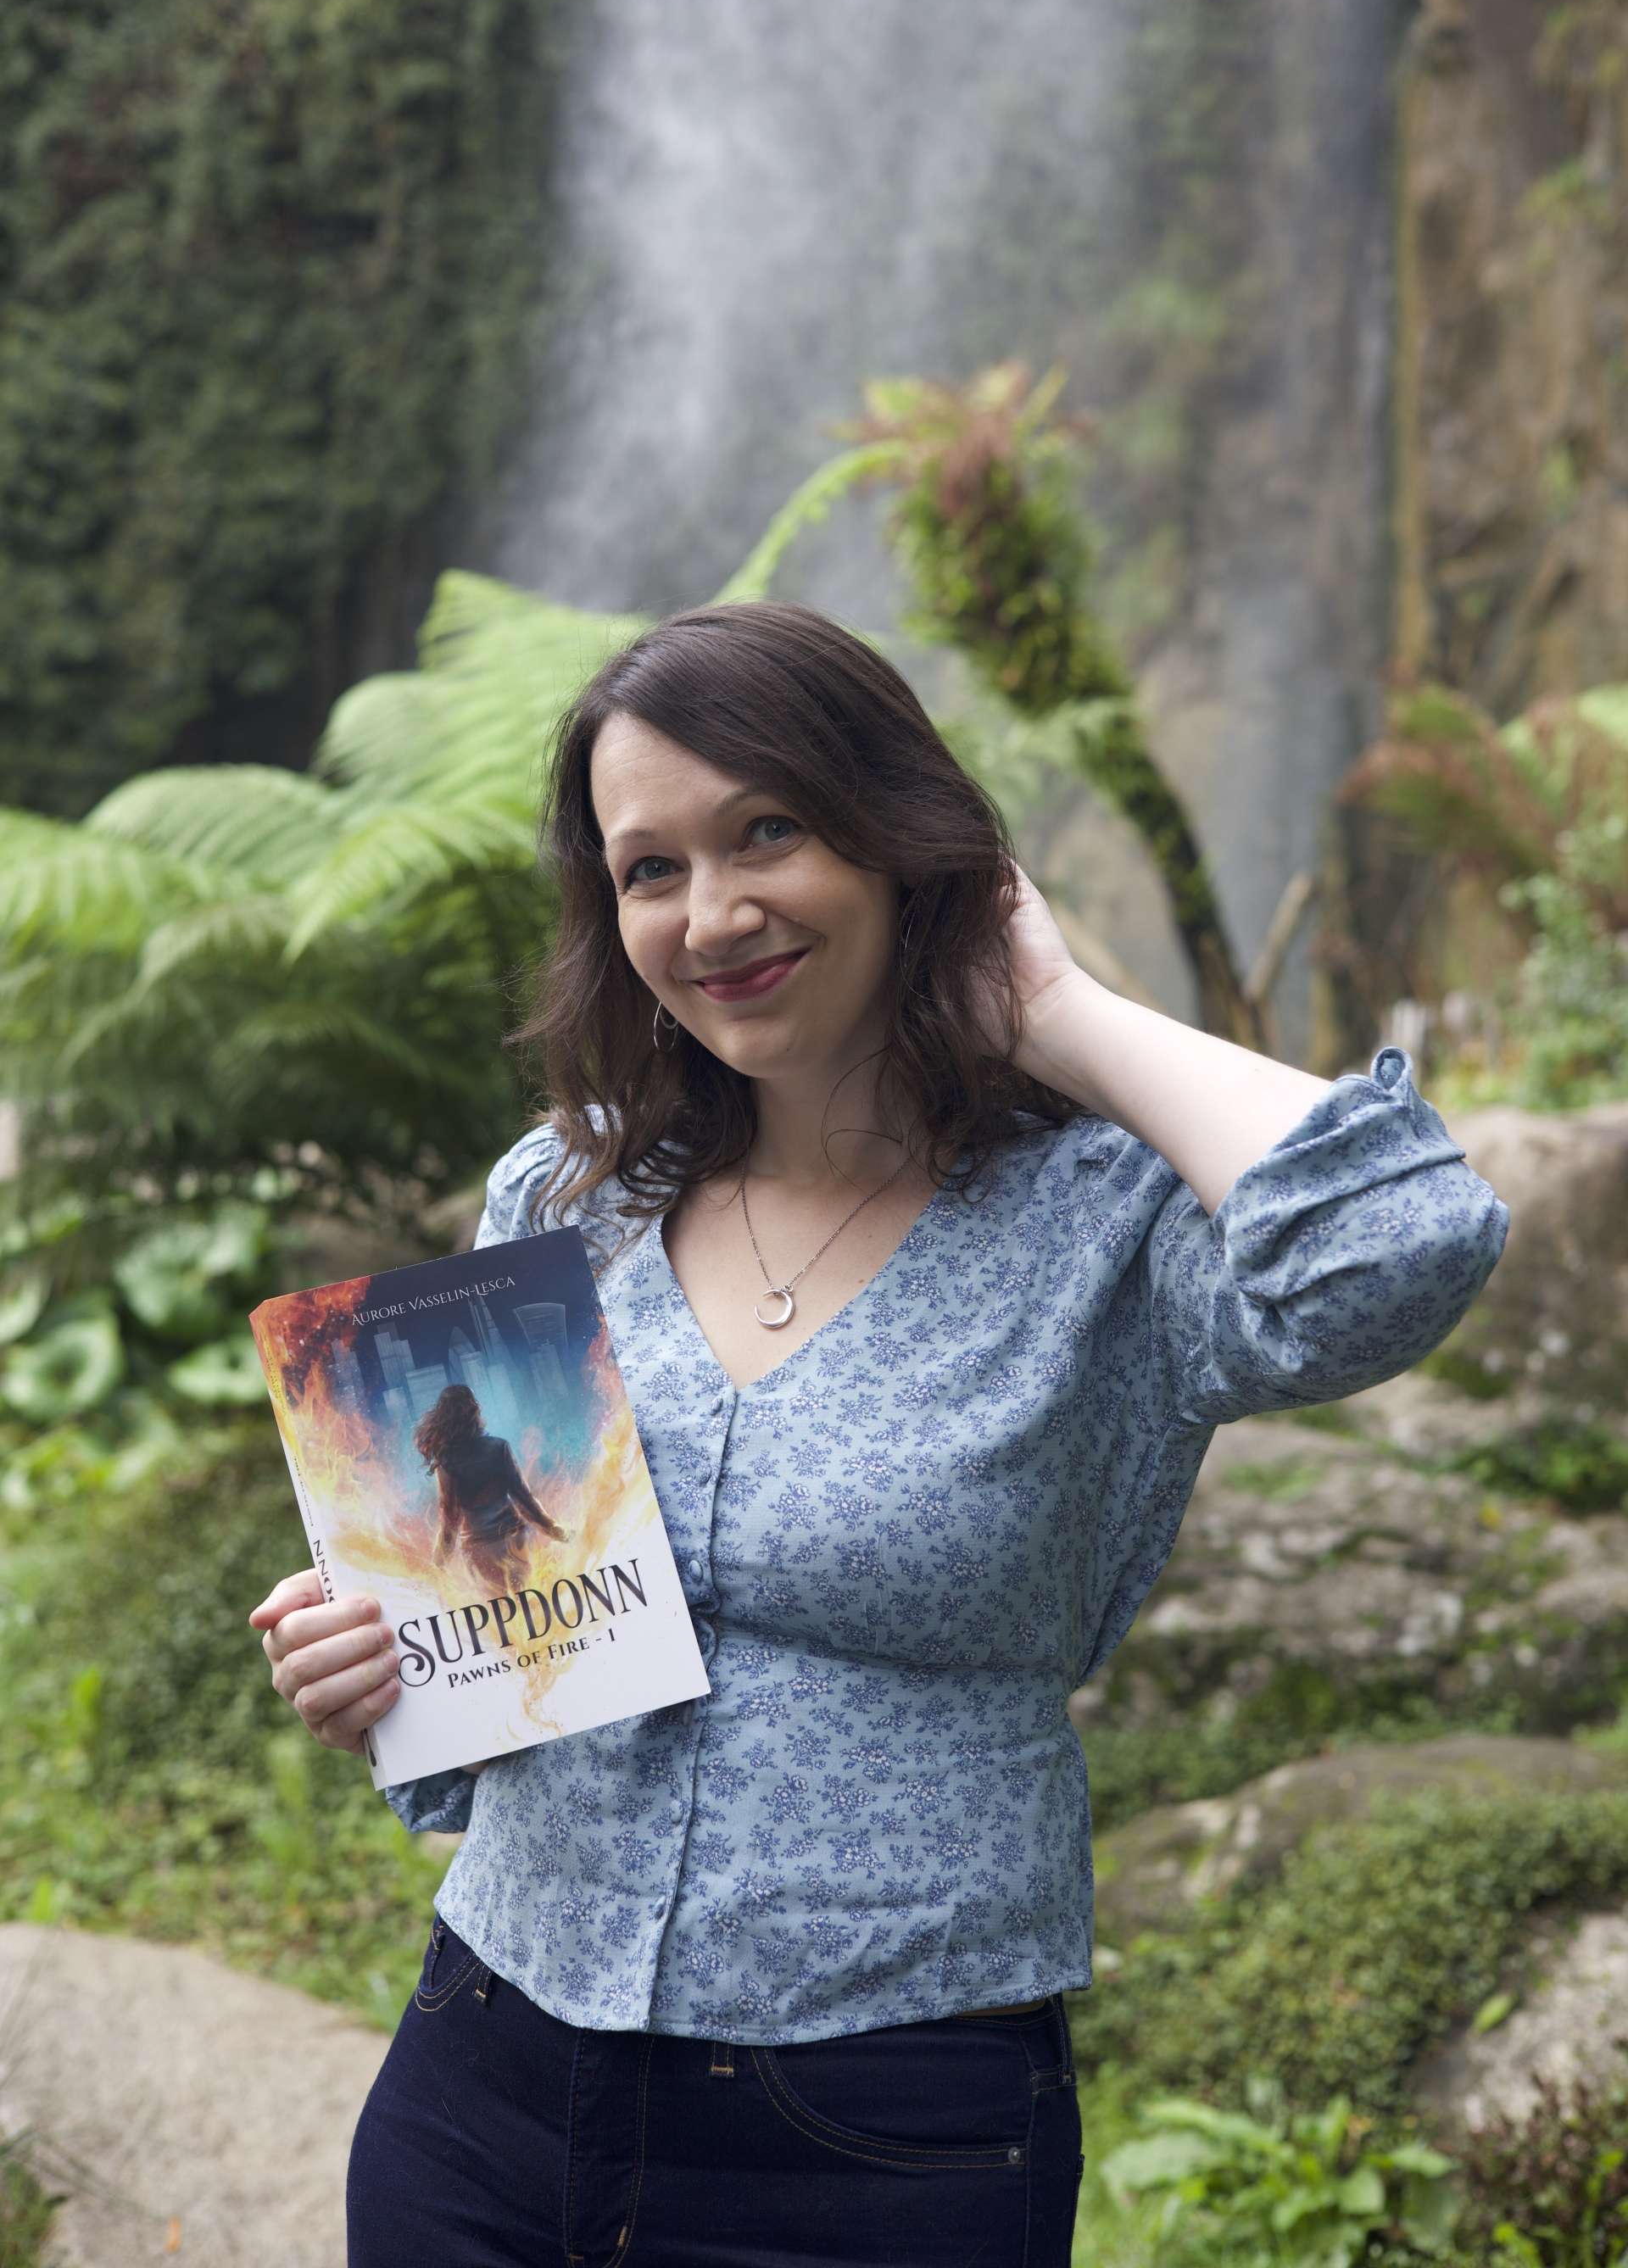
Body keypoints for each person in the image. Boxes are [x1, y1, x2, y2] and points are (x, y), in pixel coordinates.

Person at [248, 599, 1509, 2268]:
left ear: (905, 843)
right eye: (650, 870)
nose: (715, 913)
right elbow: (507, 1643)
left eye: (768, 830)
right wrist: (379, 1658)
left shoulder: (1102, 1229)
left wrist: (1053, 1008)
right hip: (490, 2068)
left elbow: (1408, 1237)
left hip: (878, 2131)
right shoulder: (568, 1198)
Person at [413, 1379, 569, 1588]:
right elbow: (524, 1500)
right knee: (530, 1601)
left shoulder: (447, 1462)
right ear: (474, 1411)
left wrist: (437, 1566)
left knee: (501, 1614)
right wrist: (553, 1530)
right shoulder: (499, 1447)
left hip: (479, 1551)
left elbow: (449, 1522)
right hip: (514, 1540)